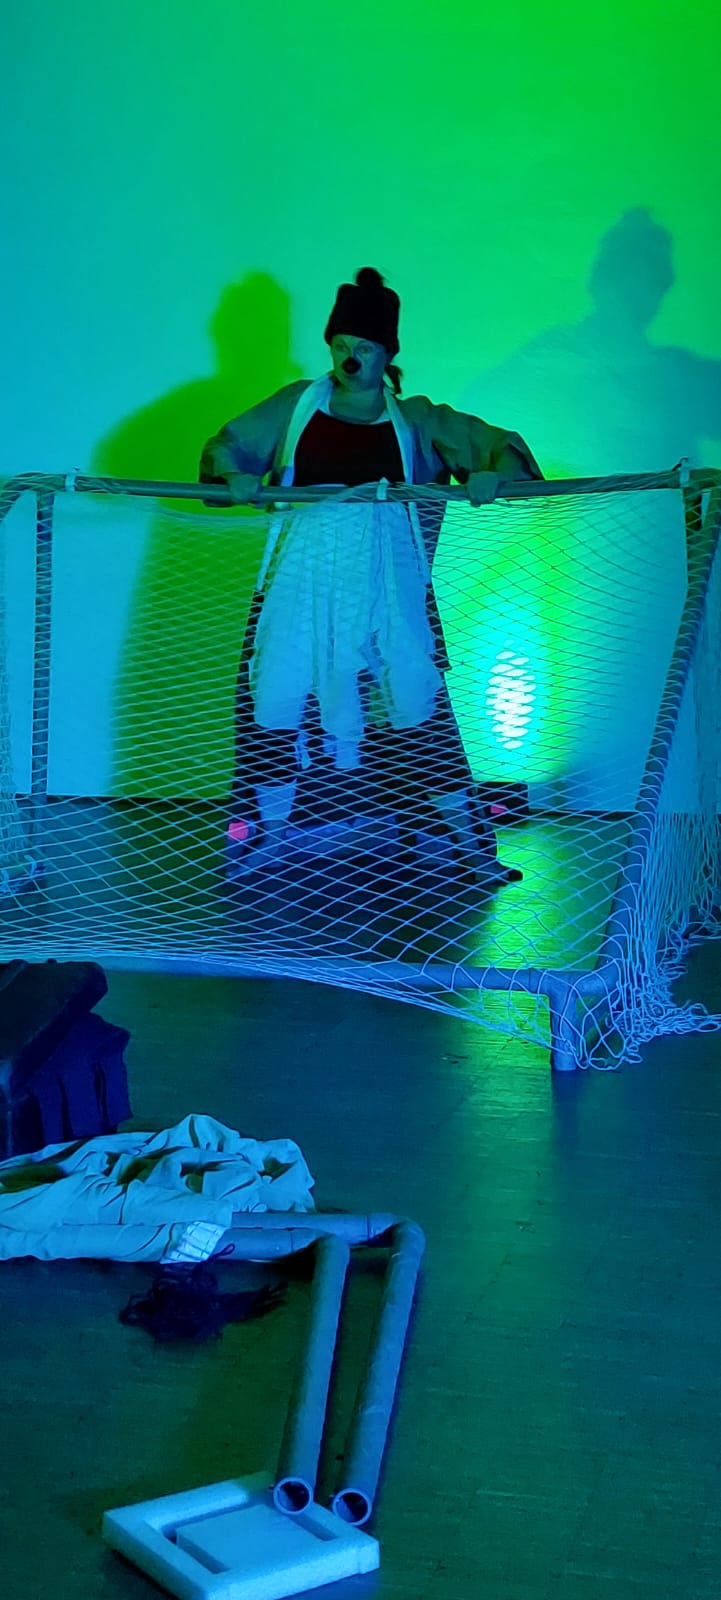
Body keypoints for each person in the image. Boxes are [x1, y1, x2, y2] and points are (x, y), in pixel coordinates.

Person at [200, 267, 542, 883]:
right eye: (340, 346)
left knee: (413, 699)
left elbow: (499, 449)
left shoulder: (418, 420)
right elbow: (227, 448)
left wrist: (493, 474)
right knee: (276, 692)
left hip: (388, 587)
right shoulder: (295, 405)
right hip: (302, 582)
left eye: (363, 347)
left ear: (387, 354)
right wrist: (234, 477)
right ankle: (272, 836)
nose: (350, 359)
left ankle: (465, 845)